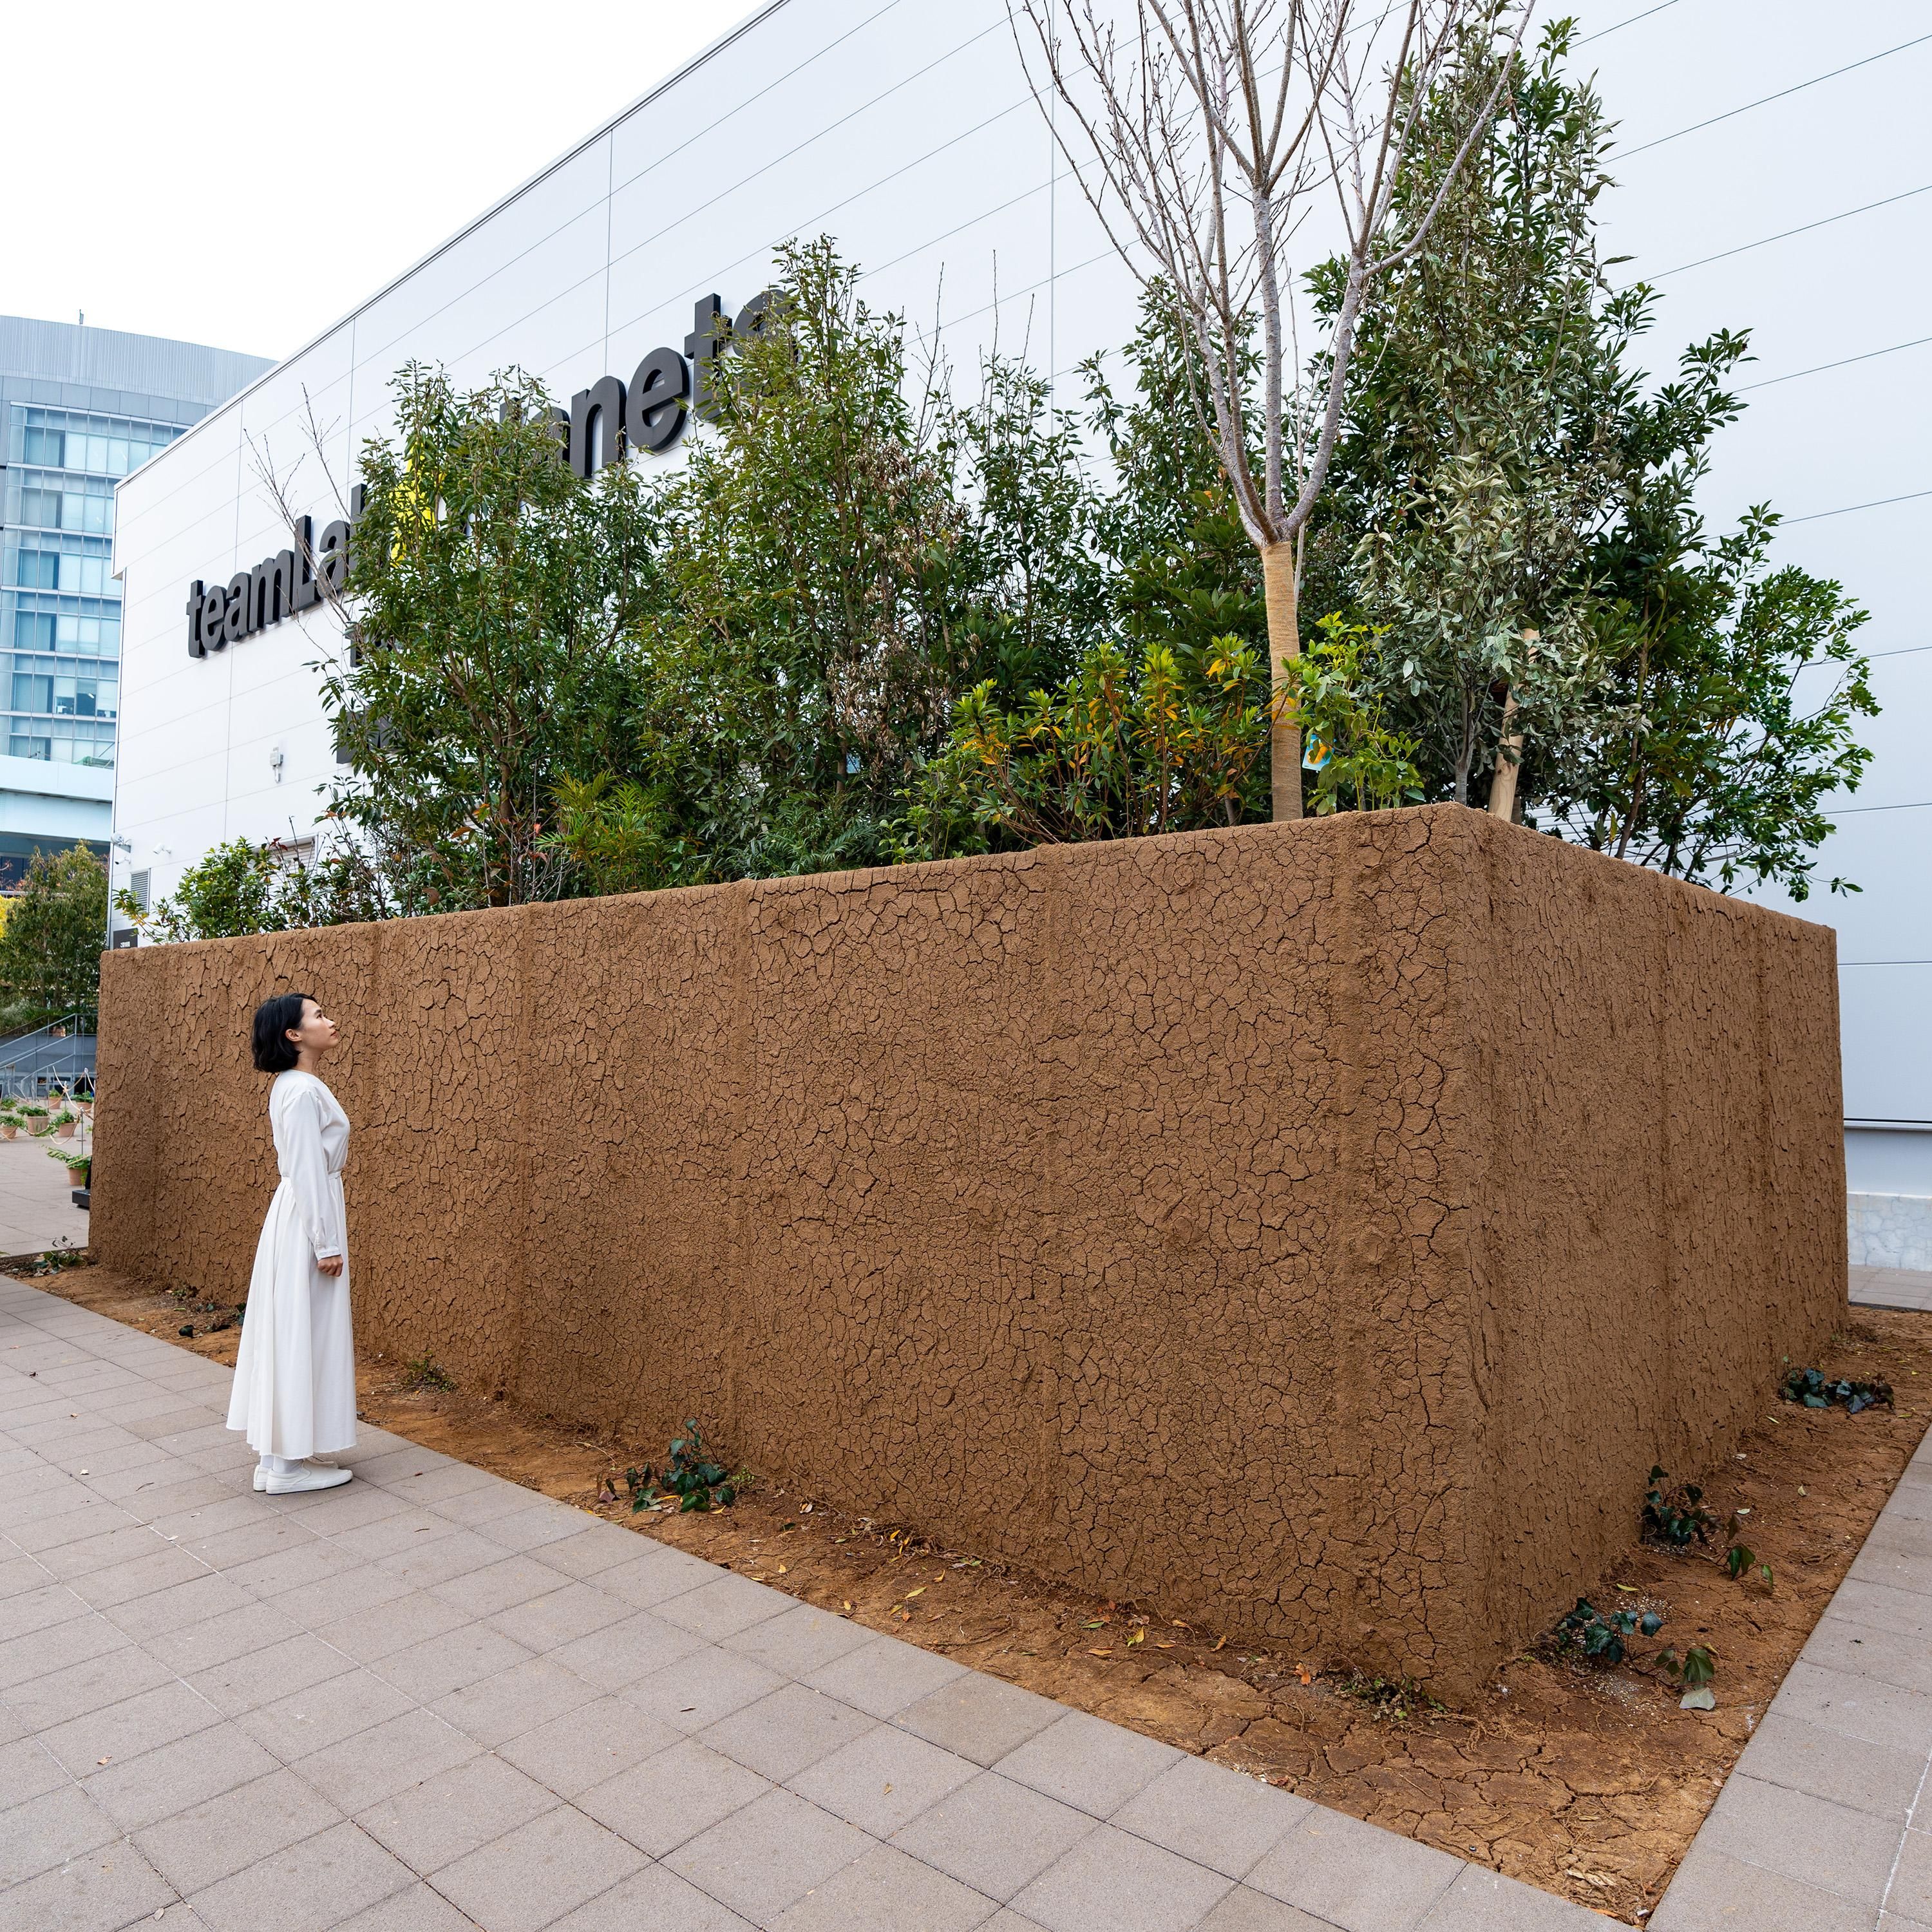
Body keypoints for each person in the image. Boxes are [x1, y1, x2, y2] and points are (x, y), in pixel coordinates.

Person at [227, 993, 357, 1495]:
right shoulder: (301, 1090)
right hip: (308, 1215)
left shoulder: (294, 1085)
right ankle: (284, 1467)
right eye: (319, 1015)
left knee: (290, 1328)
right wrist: (325, 1243)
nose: (331, 1020)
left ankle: (279, 1458)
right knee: (303, 1329)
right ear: (294, 1034)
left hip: (300, 1213)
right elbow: (307, 1170)